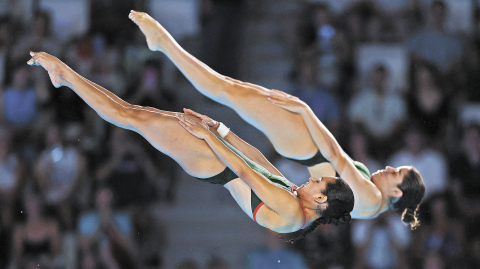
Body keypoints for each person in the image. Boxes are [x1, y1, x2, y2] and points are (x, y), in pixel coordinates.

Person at [128, 11, 425, 227]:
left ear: (397, 192)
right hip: (304, 147)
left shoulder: (372, 200)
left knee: (226, 90)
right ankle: (163, 44)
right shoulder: (371, 203)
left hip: (306, 145)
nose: (388, 167)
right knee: (229, 89)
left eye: (395, 172)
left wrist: (306, 112)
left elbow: (335, 154)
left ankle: (163, 43)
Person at [27, 51, 354, 242]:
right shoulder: (295, 198)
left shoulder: (291, 211)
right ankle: (66, 77)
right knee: (136, 114)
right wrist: (218, 128)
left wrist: (208, 137)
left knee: (131, 116)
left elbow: (242, 170)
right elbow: (255, 159)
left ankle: (64, 76)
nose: (312, 178)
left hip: (214, 164)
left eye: (319, 182)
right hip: (219, 156)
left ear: (323, 199)